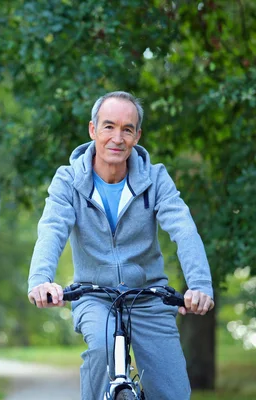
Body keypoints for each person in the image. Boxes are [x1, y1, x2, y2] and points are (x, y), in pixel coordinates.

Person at [27, 91, 214, 399]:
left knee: (173, 391)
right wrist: (41, 280)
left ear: (137, 136)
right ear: (92, 130)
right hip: (93, 295)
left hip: (147, 296)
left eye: (127, 129)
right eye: (109, 126)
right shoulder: (68, 181)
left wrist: (200, 285)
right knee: (100, 350)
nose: (117, 138)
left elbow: (184, 229)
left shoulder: (156, 179)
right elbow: (52, 229)